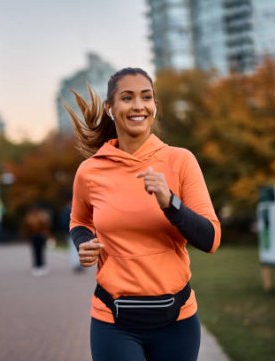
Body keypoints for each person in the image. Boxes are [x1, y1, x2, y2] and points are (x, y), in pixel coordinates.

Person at [67, 68, 221, 361]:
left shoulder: (181, 161)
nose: (138, 105)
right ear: (111, 109)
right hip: (113, 321)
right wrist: (83, 243)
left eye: (146, 97)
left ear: (154, 106)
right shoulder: (90, 171)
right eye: (127, 98)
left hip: (177, 321)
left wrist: (170, 203)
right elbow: (79, 220)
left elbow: (211, 238)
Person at [22, 204, 51, 277]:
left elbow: (46, 227)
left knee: (38, 251)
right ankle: (38, 266)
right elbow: (27, 228)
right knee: (38, 251)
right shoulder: (39, 217)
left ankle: (39, 266)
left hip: (37, 236)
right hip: (36, 236)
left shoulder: (33, 217)